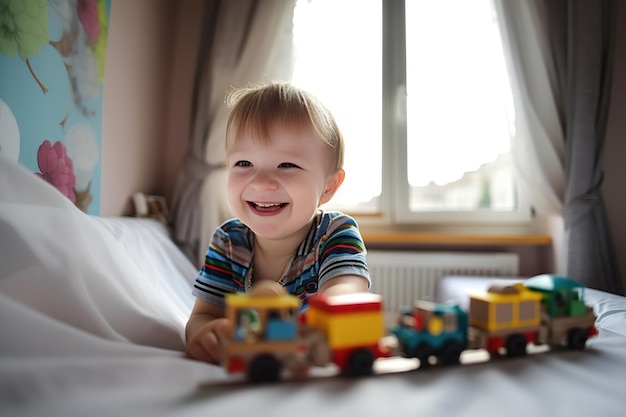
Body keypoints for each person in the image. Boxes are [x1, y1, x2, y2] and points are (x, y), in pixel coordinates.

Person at [185, 81, 370, 364]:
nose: (260, 182)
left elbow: (345, 294)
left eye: (287, 165)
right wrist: (206, 335)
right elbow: (202, 316)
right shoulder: (228, 241)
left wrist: (294, 329)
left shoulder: (336, 232)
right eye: (244, 163)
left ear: (328, 187)